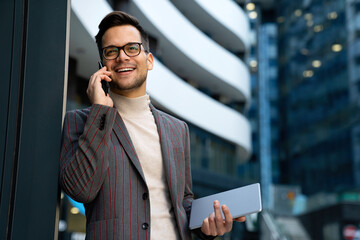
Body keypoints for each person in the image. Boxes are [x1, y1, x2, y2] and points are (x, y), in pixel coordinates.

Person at [59, 11, 245, 240]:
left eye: (132, 48)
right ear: (102, 65)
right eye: (111, 51)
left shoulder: (178, 130)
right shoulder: (79, 121)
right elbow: (80, 189)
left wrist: (207, 227)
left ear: (149, 60)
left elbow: (183, 203)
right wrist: (100, 112)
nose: (122, 57)